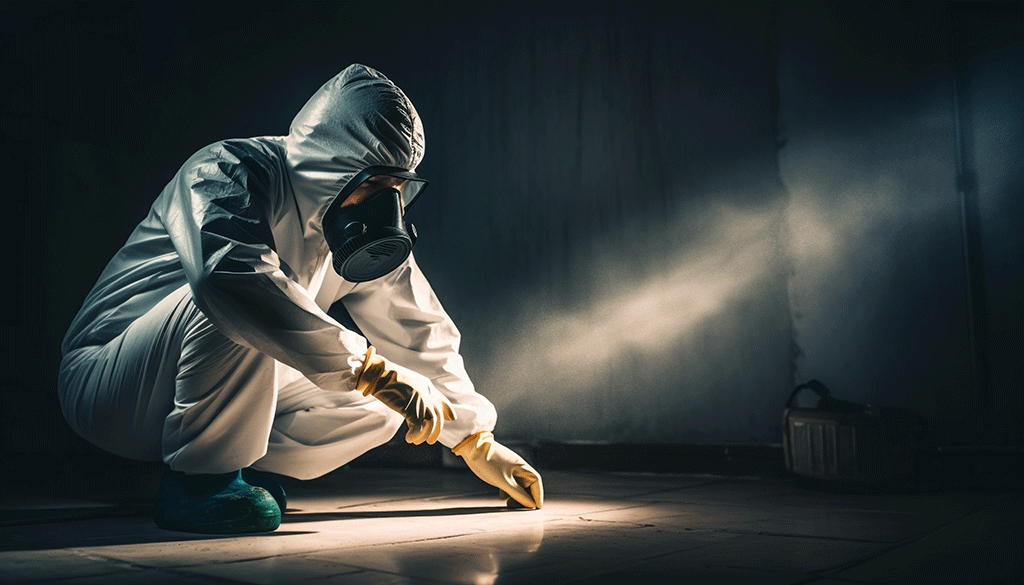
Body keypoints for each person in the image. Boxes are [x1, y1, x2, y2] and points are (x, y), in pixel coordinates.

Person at [58, 64, 543, 534]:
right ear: (331, 166)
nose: (385, 206)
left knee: (385, 406)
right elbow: (228, 278)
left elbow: (419, 327)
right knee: (242, 303)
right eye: (375, 184)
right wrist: (374, 370)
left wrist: (476, 439)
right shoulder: (227, 172)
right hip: (108, 386)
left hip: (207, 386)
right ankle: (202, 484)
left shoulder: (349, 228)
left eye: (397, 187)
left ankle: (240, 469)